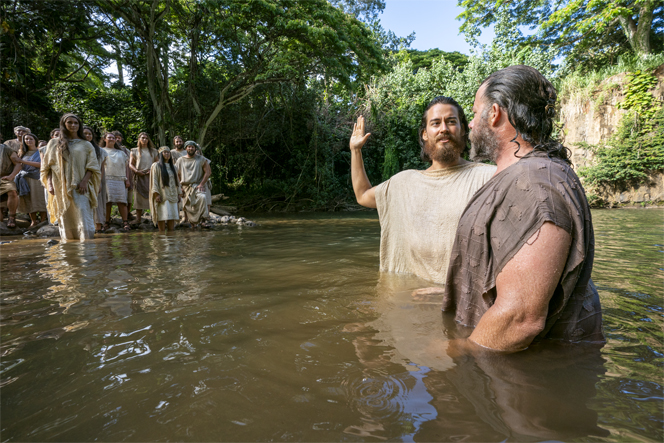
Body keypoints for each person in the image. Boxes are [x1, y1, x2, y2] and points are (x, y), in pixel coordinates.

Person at [443, 65, 604, 353]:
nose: (470, 124)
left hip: (521, 383)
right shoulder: (524, 176)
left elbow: (520, 320)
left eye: (475, 111)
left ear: (494, 113)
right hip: (494, 368)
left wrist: (452, 350)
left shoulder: (536, 182)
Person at [349, 97, 496, 284]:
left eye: (451, 122)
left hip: (461, 304)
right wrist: (355, 151)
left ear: (463, 129)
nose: (444, 128)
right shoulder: (403, 183)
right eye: (436, 123)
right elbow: (362, 195)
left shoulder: (490, 178)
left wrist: (451, 292)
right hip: (407, 304)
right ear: (425, 134)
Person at [40, 113, 101, 241]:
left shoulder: (86, 144)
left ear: (79, 125)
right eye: (70, 122)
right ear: (63, 124)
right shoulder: (53, 143)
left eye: (76, 123)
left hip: (81, 186)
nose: (73, 125)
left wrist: (84, 181)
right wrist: (49, 184)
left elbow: (93, 166)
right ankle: (69, 251)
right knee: (65, 216)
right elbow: (48, 167)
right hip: (60, 186)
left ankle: (86, 249)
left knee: (83, 214)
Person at [175, 141, 211, 228]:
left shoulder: (201, 159)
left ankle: (203, 220)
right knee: (188, 206)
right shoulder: (180, 160)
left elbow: (208, 172)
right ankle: (193, 224)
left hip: (198, 185)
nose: (190, 148)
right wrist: (180, 187)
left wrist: (202, 184)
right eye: (189, 147)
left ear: (195, 148)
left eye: (192, 147)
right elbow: (177, 174)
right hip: (185, 186)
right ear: (186, 148)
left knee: (202, 198)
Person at [100, 132, 131, 232]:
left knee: (122, 202)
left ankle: (125, 222)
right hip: (106, 179)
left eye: (113, 138)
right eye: (109, 137)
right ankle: (106, 222)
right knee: (107, 202)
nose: (112, 139)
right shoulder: (101, 151)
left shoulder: (121, 152)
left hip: (120, 179)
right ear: (104, 139)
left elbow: (126, 167)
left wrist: (127, 179)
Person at [15, 132, 47, 227]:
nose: (28, 141)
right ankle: (33, 221)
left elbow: (43, 165)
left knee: (40, 199)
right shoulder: (21, 153)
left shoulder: (41, 151)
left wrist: (23, 161)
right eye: (26, 139)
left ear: (35, 140)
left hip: (38, 178)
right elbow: (18, 165)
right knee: (29, 200)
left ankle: (43, 220)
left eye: (31, 139)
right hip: (26, 179)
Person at [83, 125, 108, 233]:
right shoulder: (75, 148)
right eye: (85, 134)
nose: (87, 136)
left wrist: (99, 183)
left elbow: (102, 168)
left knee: (97, 201)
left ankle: (98, 225)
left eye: (89, 134)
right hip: (80, 178)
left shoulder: (100, 151)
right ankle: (85, 226)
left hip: (96, 178)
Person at [150, 147, 181, 232]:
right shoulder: (156, 165)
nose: (167, 154)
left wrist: (178, 194)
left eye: (168, 153)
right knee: (162, 215)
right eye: (165, 152)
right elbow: (154, 181)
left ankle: (171, 236)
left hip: (173, 194)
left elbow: (177, 182)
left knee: (172, 215)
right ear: (161, 154)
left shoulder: (174, 167)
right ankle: (161, 236)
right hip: (162, 194)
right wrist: (156, 194)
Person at [129, 132, 158, 224]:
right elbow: (131, 164)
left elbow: (157, 163)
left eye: (146, 138)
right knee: (138, 197)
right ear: (139, 139)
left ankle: (155, 218)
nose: (144, 140)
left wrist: (152, 170)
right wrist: (137, 171)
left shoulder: (153, 151)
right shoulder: (134, 151)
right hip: (139, 175)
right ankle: (138, 218)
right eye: (142, 138)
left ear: (148, 139)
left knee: (153, 196)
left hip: (151, 176)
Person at [0, 138, 23, 228]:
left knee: (12, 191)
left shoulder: (6, 149)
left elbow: (18, 164)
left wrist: (11, 176)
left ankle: (12, 217)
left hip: (5, 178)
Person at [113, 130, 134, 219]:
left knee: (128, 197)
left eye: (119, 138)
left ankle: (128, 214)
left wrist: (128, 178)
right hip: (112, 176)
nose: (117, 139)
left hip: (126, 175)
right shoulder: (106, 149)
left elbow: (130, 164)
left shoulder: (126, 150)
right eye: (115, 137)